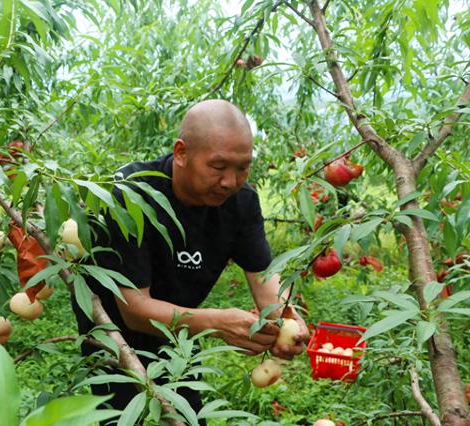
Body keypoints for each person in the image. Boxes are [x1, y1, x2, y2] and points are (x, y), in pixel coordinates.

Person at [74, 99, 309, 418]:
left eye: (243, 167)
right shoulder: (129, 195)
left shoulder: (241, 202)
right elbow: (136, 312)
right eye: (218, 166)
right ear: (182, 153)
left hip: (182, 328)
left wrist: (285, 317)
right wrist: (216, 323)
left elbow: (263, 278)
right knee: (121, 416)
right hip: (114, 331)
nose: (231, 181)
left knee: (188, 416)